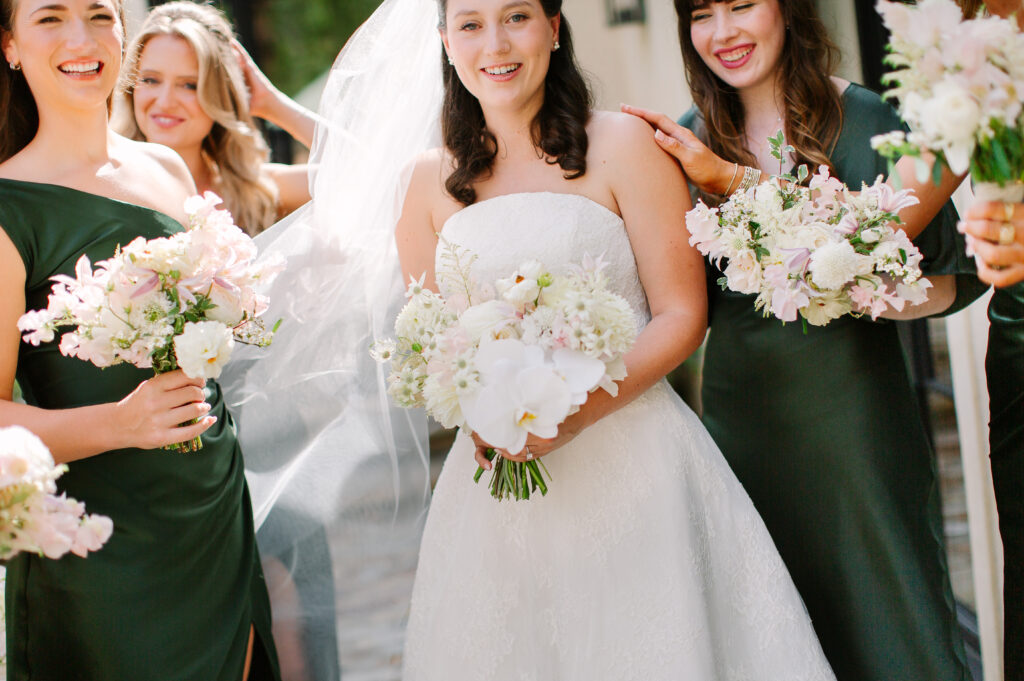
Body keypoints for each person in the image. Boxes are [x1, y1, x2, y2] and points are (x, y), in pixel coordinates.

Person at [389, 0, 838, 677]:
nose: (496, 44)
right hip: (497, 490)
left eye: (517, 16)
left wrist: (575, 412)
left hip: (637, 466)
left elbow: (682, 314)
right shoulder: (422, 183)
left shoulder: (624, 145)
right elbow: (435, 345)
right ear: (446, 42)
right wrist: (479, 413)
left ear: (554, 27)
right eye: (472, 24)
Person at [621, 1, 986, 679]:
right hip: (741, 420)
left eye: (742, 5)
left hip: (854, 420)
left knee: (890, 612)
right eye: (702, 14)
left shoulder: (867, 118)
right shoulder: (684, 145)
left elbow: (949, 276)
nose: (723, 32)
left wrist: (869, 288)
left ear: (787, 9)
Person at [0, 0, 280, 678]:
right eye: (50, 17)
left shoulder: (167, 170)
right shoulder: (8, 210)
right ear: (9, 45)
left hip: (212, 511)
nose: (82, 37)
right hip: (101, 553)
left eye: (100, 14)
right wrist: (121, 421)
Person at [115, 1, 316, 236]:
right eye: (150, 80)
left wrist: (272, 103)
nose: (165, 101)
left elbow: (364, 170)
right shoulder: (105, 185)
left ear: (219, 96)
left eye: (190, 85)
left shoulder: (256, 191)